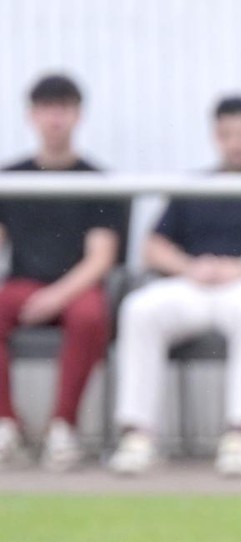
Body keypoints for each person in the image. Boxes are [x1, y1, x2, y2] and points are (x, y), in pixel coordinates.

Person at [108, 95, 241, 477]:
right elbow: (152, 247)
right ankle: (137, 435)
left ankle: (240, 434)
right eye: (228, 134)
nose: (237, 143)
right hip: (195, 285)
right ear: (215, 137)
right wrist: (190, 267)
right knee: (139, 309)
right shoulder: (193, 187)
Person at [0, 73, 123, 471]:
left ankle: (63, 428)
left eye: (63, 110)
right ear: (32, 116)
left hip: (75, 288)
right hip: (22, 286)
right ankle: (6, 424)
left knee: (90, 315)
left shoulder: (97, 181)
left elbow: (101, 257)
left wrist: (57, 295)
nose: (55, 120)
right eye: (46, 110)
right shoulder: (10, 180)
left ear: (77, 115)